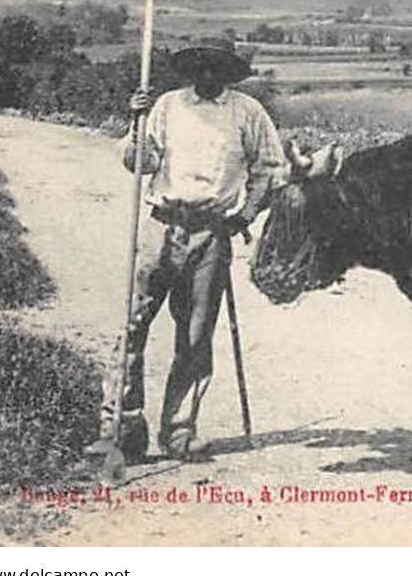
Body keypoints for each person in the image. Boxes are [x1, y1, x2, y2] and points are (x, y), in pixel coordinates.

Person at [89, 36, 285, 463]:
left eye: (217, 66)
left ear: (229, 71)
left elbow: (271, 169)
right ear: (191, 68)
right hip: (161, 225)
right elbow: (140, 162)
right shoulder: (165, 106)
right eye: (201, 65)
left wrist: (245, 215)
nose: (208, 74)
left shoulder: (247, 113)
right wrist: (136, 123)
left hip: (211, 235)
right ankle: (121, 428)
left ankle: (179, 431)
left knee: (195, 337)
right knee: (132, 324)